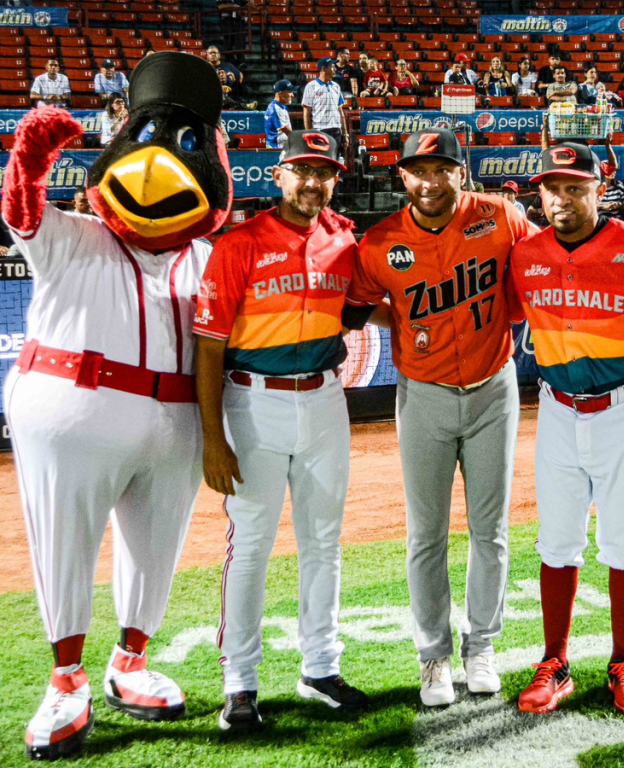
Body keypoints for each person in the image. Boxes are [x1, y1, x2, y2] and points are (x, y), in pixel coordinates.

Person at [5, 53, 231, 760]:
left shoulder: (205, 260)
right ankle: (64, 676)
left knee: (155, 552)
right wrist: (32, 155)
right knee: (66, 543)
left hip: (172, 426)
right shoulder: (73, 235)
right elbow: (23, 213)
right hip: (74, 409)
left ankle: (129, 661)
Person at [344, 129, 530, 708]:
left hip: (493, 388)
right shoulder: (379, 242)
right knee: (425, 535)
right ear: (402, 177)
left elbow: (529, 281)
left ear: (460, 172)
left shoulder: (502, 216)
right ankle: (434, 657)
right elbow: (356, 309)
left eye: (441, 169)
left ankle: (482, 647)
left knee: (490, 531)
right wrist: (401, 318)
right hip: (421, 393)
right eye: (418, 171)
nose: (430, 181)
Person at [509, 142, 624, 716]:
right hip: (557, 410)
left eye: (575, 187)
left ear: (599, 186)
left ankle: (622, 661)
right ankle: (555, 661)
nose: (563, 198)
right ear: (539, 193)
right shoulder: (526, 253)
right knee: (557, 541)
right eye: (553, 188)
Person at [194, 130, 369, 732]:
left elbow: (365, 306)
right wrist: (213, 438)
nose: (312, 182)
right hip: (251, 403)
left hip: (323, 400)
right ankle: (240, 683)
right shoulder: (238, 243)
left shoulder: (345, 240)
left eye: (323, 173)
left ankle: (320, 667)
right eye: (301, 171)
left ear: (333, 179)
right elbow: (209, 348)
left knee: (324, 541)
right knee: (251, 549)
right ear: (279, 174)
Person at [301, 56, 350, 212]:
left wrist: (345, 134)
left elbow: (341, 111)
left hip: (335, 131)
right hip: (319, 132)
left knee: (335, 168)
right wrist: (309, 133)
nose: (335, 69)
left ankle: (334, 200)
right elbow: (306, 112)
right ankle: (321, 201)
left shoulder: (336, 86)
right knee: (321, 167)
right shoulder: (311, 87)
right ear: (323, 68)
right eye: (332, 66)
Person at [595, 136, 624, 221]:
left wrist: (619, 205)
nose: (612, 172)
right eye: (608, 170)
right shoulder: (595, 186)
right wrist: (603, 207)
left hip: (615, 220)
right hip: (599, 220)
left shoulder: (618, 186)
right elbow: (587, 207)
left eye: (613, 171)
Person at [264, 79, 294, 151]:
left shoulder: (282, 106)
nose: (292, 95)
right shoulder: (275, 108)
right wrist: (299, 139)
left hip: (282, 147)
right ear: (281, 94)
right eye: (289, 92)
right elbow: (286, 130)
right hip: (276, 149)